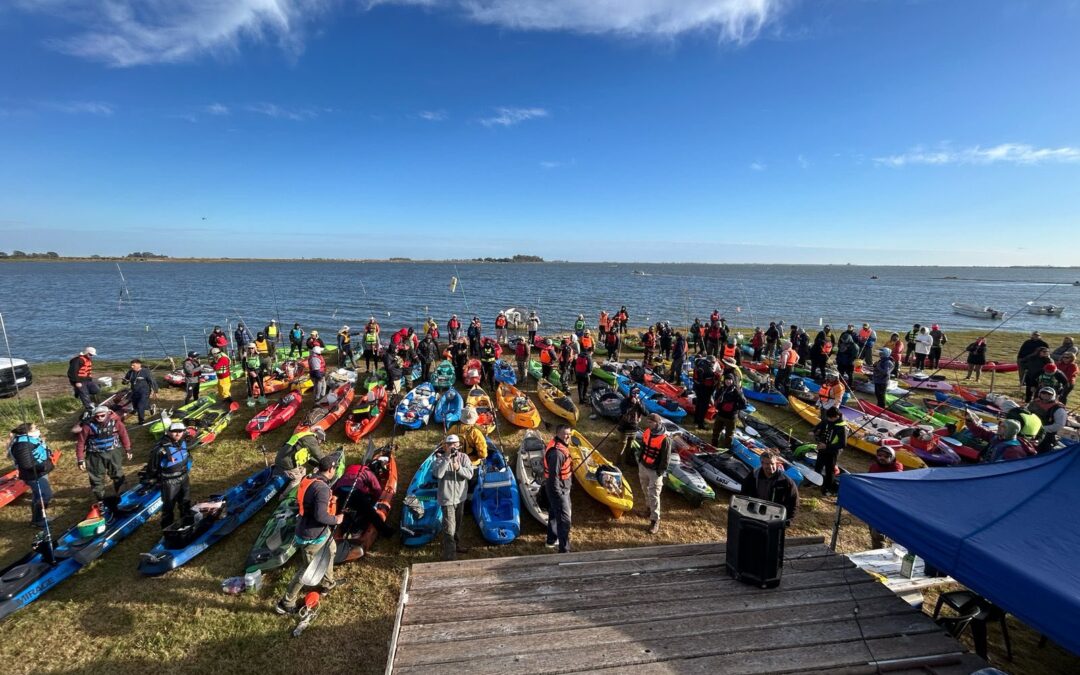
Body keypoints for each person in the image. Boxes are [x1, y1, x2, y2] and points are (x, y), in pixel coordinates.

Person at [276, 454, 342, 614]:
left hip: (318, 530)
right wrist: (336, 519)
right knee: (307, 570)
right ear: (331, 469)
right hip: (311, 535)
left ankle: (328, 583)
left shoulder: (310, 478)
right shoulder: (322, 489)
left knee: (331, 550)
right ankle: (286, 602)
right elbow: (321, 516)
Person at [75, 405, 132, 509]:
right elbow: (80, 443)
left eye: (102, 415)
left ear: (107, 414)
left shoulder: (116, 423)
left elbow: (124, 435)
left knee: (118, 474)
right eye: (97, 416)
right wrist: (80, 459)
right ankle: (101, 501)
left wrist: (128, 449)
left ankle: (123, 497)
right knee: (96, 479)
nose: (100, 418)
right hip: (94, 455)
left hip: (113, 453)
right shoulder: (88, 426)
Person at [7, 422, 56, 529]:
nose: (38, 429)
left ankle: (38, 519)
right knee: (45, 496)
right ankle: (38, 520)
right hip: (34, 475)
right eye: (35, 428)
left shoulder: (30, 440)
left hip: (39, 472)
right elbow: (26, 464)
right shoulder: (22, 445)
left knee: (37, 496)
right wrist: (43, 466)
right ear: (27, 431)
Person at [144, 421, 192, 529]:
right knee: (169, 506)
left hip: (184, 477)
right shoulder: (160, 448)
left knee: (185, 501)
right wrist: (151, 479)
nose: (177, 434)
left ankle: (187, 522)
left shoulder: (183, 441)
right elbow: (152, 466)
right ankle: (168, 527)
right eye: (174, 431)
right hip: (170, 481)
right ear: (168, 432)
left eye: (180, 431)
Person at [433, 435, 474, 561]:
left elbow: (470, 475)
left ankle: (456, 545)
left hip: (460, 498)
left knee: (457, 525)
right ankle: (450, 557)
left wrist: (458, 468)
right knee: (449, 528)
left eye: (455, 444)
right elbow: (438, 474)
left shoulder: (464, 458)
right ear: (445, 446)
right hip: (447, 499)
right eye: (450, 445)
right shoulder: (439, 459)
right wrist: (447, 459)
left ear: (459, 445)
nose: (453, 447)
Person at [635, 415, 671, 534]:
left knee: (654, 494)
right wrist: (640, 461)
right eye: (648, 422)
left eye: (651, 422)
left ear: (657, 423)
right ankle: (648, 509)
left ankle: (655, 520)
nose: (648, 424)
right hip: (643, 465)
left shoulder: (665, 439)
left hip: (654, 471)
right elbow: (643, 447)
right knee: (645, 489)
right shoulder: (647, 432)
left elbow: (666, 459)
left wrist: (659, 472)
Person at [740, 450, 798, 520]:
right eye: (767, 464)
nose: (770, 467)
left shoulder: (786, 482)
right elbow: (744, 492)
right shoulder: (753, 475)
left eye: (772, 464)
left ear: (776, 463)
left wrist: (787, 521)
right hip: (753, 513)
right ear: (762, 463)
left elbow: (793, 503)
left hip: (773, 517)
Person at [543, 424, 573, 553]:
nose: (567, 437)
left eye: (569, 434)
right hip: (558, 489)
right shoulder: (557, 453)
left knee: (554, 514)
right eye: (565, 434)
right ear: (558, 434)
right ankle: (564, 550)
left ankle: (551, 540)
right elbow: (553, 477)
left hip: (561, 487)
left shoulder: (559, 444)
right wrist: (559, 494)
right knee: (564, 520)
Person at [866, 446, 902, 547]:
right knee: (872, 528)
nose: (882, 458)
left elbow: (895, 484)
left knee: (878, 533)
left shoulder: (896, 469)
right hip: (873, 502)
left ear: (892, 457)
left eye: (886, 456)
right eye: (880, 455)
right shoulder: (873, 466)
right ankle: (875, 548)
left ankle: (879, 551)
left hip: (886, 505)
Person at [812, 407, 847, 497]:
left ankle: (827, 488)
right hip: (822, 448)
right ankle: (814, 482)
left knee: (829, 470)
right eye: (828, 417)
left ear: (836, 416)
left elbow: (842, 444)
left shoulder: (841, 428)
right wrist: (814, 431)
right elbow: (820, 424)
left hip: (832, 451)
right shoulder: (827, 420)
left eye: (830, 418)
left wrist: (827, 446)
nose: (828, 419)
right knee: (818, 465)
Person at [711, 372, 747, 448]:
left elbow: (744, 404)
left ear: (733, 381)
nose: (728, 381)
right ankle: (713, 445)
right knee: (715, 431)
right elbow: (716, 398)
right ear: (724, 380)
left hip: (731, 417)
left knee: (729, 434)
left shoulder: (737, 391)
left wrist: (735, 408)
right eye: (727, 379)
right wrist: (718, 405)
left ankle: (727, 448)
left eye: (730, 380)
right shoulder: (721, 389)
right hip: (720, 414)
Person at [1027, 387, 1068, 453]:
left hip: (1046, 434)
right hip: (1029, 431)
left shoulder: (1058, 409)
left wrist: (1042, 429)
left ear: (1053, 395)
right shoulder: (1034, 403)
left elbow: (1059, 425)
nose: (1046, 395)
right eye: (1043, 393)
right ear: (1040, 394)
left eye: (1049, 394)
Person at [617, 386, 648, 465]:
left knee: (630, 446)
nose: (636, 395)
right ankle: (618, 462)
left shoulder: (640, 401)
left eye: (638, 393)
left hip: (634, 429)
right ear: (630, 393)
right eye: (634, 393)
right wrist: (631, 404)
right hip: (625, 428)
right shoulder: (625, 401)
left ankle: (628, 460)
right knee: (622, 446)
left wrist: (639, 404)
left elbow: (646, 413)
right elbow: (623, 411)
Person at [123, 359, 158, 423]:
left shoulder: (146, 372)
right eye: (131, 365)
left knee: (140, 406)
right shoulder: (130, 372)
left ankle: (141, 420)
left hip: (144, 392)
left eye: (133, 365)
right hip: (134, 392)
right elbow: (125, 381)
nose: (132, 367)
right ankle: (151, 407)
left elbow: (152, 381)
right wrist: (125, 381)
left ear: (139, 365)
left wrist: (155, 391)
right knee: (136, 407)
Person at [67, 346, 99, 412]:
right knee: (84, 393)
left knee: (96, 389)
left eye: (92, 355)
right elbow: (71, 372)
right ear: (86, 353)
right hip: (79, 381)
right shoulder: (78, 360)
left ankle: (78, 392)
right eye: (90, 354)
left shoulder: (88, 359)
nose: (91, 356)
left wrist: (90, 379)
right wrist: (77, 382)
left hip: (87, 380)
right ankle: (89, 408)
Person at [692, 356, 720, 429]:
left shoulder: (699, 364)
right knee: (703, 407)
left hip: (697, 387)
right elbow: (711, 379)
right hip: (705, 390)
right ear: (710, 361)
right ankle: (701, 423)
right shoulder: (708, 369)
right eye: (713, 362)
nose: (714, 364)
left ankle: (696, 419)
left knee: (698, 403)